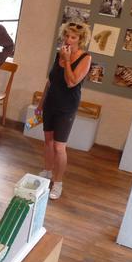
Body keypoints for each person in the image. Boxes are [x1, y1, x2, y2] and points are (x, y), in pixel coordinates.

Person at [35, 21, 92, 200]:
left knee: (60, 147)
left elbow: (71, 81)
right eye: (66, 35)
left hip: (67, 107)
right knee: (48, 142)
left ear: (80, 40)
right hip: (51, 102)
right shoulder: (59, 54)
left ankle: (58, 183)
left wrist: (67, 60)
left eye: (73, 37)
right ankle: (47, 170)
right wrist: (40, 104)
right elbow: (51, 81)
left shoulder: (85, 58)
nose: (68, 40)